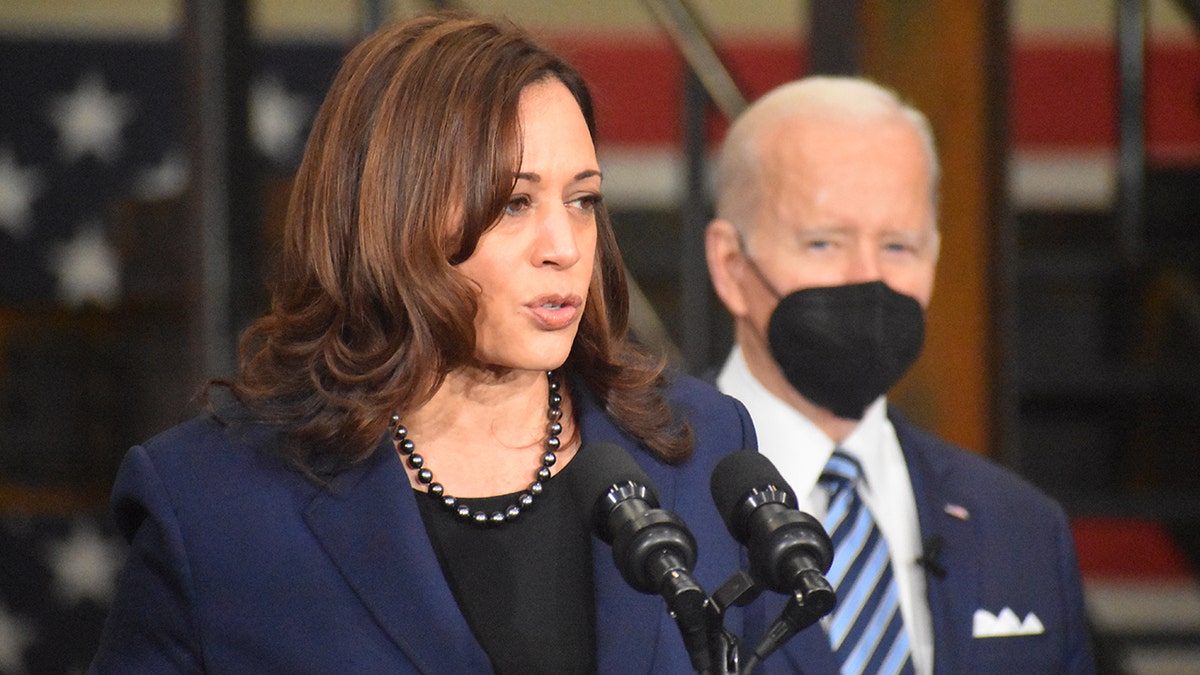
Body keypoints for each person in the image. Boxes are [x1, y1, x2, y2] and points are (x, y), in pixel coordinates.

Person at [90, 12, 757, 673]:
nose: (564, 247)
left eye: (582, 200)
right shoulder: (212, 504)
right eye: (513, 204)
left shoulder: (701, 446)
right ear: (393, 216)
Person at [705, 76, 1095, 674]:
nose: (869, 277)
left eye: (898, 247)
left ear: (934, 259)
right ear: (731, 267)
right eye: (823, 243)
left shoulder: (1024, 531)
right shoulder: (641, 509)